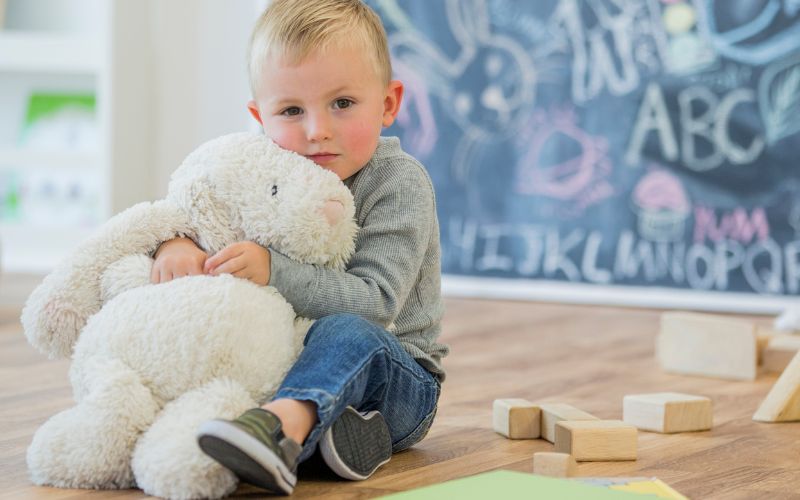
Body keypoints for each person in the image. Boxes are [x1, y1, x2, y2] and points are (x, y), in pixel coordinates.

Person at [150, 0, 448, 494]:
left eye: (343, 103)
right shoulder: (267, 172)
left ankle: (279, 426)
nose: (317, 131)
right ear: (259, 117)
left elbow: (375, 304)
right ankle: (330, 439)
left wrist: (273, 269)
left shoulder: (398, 183)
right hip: (289, 365)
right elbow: (207, 209)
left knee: (347, 331)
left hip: (399, 382)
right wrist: (177, 242)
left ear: (389, 104)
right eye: (291, 110)